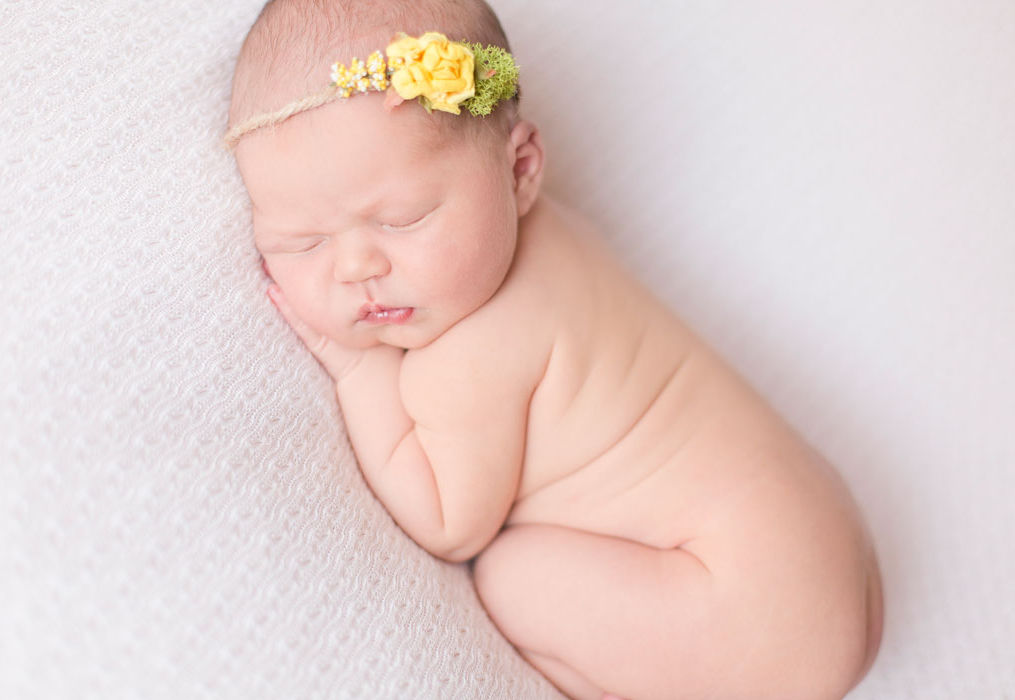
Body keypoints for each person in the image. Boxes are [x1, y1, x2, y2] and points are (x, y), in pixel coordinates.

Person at [224, 1, 883, 698]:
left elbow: (447, 525)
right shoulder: (552, 235)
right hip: (823, 548)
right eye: (301, 243)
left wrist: (359, 368)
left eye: (401, 218)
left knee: (509, 576)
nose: (356, 267)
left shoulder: (471, 355)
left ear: (519, 170)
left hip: (742, 606)